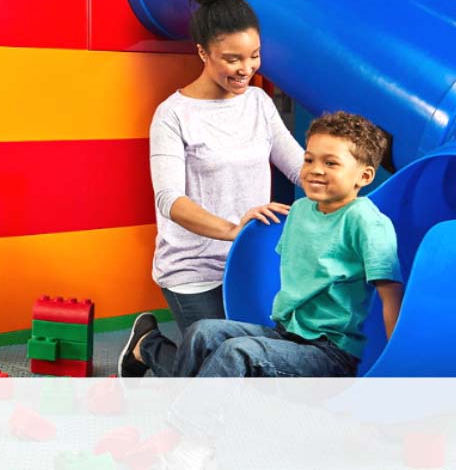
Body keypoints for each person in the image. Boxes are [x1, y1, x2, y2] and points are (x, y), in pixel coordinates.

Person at [121, 111, 404, 378]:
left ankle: (181, 426)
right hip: (286, 333)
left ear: (364, 176)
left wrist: (396, 367)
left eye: (331, 163)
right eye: (308, 160)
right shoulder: (301, 210)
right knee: (201, 333)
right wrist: (245, 227)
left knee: (237, 353)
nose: (315, 170)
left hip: (331, 352)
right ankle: (185, 412)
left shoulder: (366, 222)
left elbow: (391, 297)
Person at [149, 0, 305, 335]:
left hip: (250, 261)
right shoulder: (173, 115)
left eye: (254, 56)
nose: (246, 68)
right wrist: (236, 232)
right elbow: (170, 201)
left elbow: (298, 167)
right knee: (216, 366)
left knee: (251, 359)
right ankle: (149, 346)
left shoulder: (258, 103)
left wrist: (343, 182)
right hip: (194, 269)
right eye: (232, 59)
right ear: (203, 53)